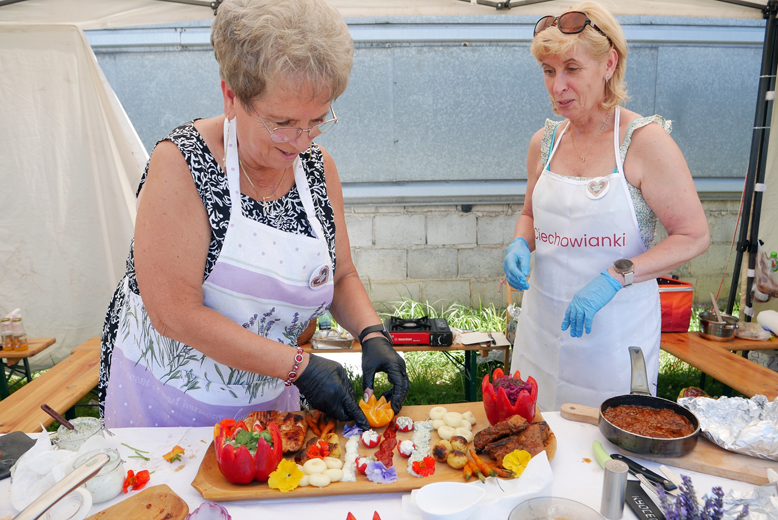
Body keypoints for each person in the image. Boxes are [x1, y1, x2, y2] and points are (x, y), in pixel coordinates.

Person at [97, 0, 408, 430]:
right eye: (282, 122)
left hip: (270, 405)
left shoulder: (318, 168)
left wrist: (373, 335)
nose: (301, 141)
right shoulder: (183, 164)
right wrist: (300, 365)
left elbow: (340, 276)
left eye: (317, 120)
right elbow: (173, 312)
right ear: (231, 96)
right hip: (170, 408)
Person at [504, 1, 709, 411]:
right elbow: (530, 214)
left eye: (572, 69)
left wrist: (617, 275)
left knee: (606, 452)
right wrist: (520, 244)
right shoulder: (543, 143)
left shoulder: (645, 142)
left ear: (609, 63)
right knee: (531, 438)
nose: (556, 85)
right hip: (541, 331)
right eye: (548, 71)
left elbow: (694, 236)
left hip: (615, 340)